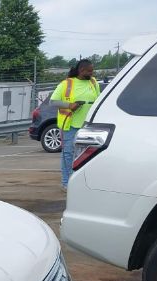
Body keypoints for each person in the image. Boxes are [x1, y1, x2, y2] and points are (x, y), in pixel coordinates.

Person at [50, 59, 100, 191]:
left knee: (86, 155)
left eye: (92, 70)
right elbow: (53, 102)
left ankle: (82, 181)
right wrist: (69, 105)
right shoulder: (67, 84)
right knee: (68, 154)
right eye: (89, 70)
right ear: (81, 70)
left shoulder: (94, 83)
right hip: (71, 125)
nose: (92, 72)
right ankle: (67, 183)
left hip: (88, 126)